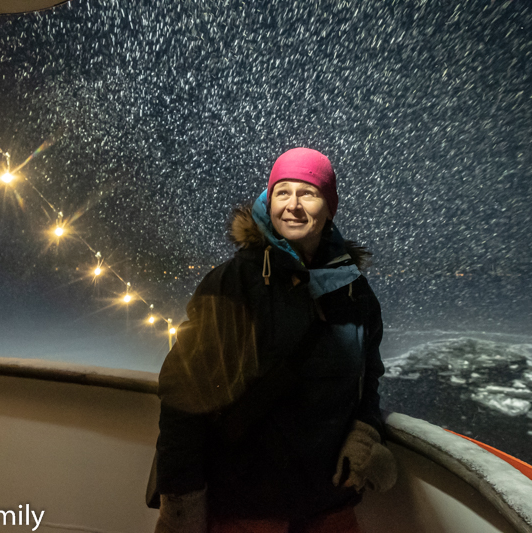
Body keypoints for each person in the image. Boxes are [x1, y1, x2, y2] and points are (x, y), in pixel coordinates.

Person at [151, 148, 396, 533]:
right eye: (282, 192)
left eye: (308, 193)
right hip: (246, 504)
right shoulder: (233, 283)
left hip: (329, 498)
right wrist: (181, 500)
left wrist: (364, 433)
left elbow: (369, 376)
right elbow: (184, 394)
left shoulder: (353, 292)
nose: (293, 206)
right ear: (268, 201)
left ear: (329, 207)